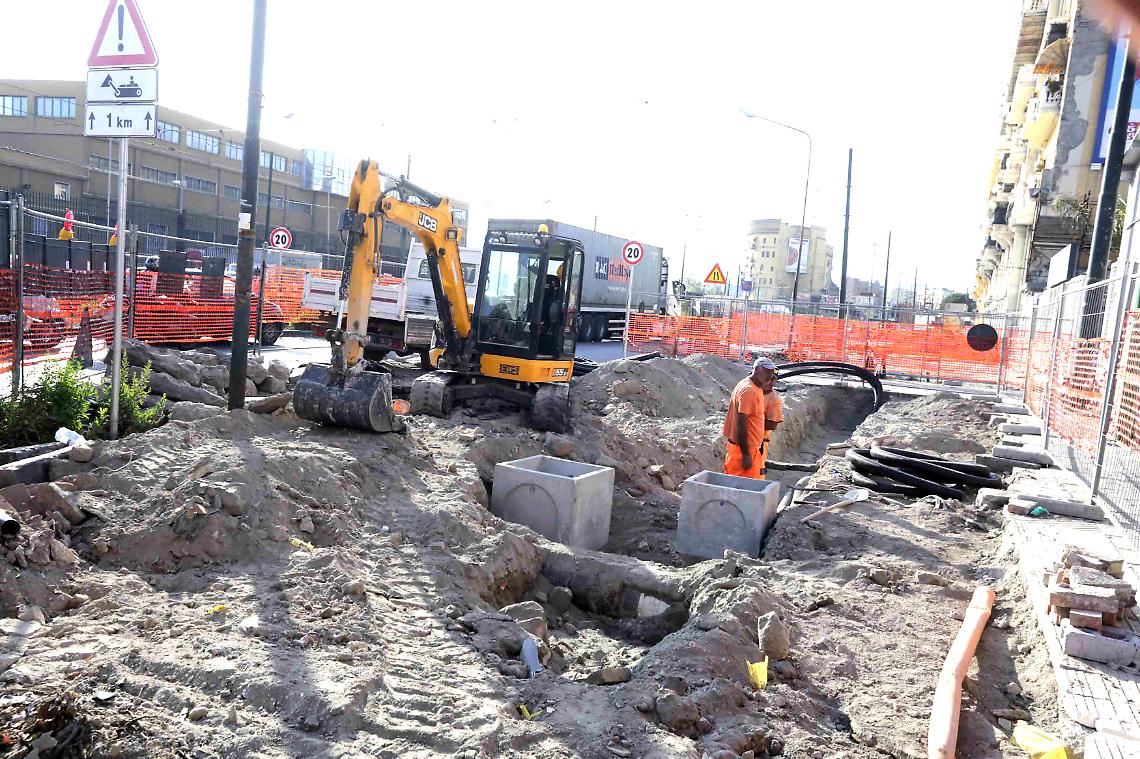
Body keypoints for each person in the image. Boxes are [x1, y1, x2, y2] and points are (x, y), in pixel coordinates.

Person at [722, 356, 777, 479]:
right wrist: (746, 454)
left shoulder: (752, 386)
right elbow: (741, 423)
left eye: (771, 373)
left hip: (744, 450)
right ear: (756, 369)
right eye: (767, 372)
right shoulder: (749, 391)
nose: (770, 376)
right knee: (744, 487)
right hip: (744, 452)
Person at [760, 368, 784, 476]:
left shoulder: (774, 400)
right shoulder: (752, 391)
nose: (769, 381)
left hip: (759, 443)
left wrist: (753, 421)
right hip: (742, 442)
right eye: (767, 378)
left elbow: (772, 424)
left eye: (772, 379)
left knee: (755, 474)